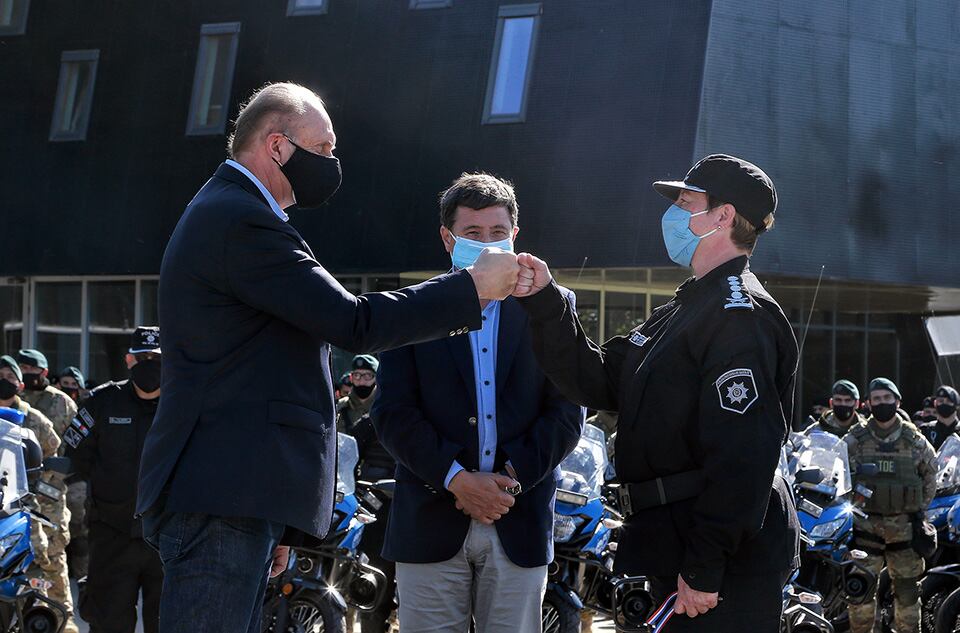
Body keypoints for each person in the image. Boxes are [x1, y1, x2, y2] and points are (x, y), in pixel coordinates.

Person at [135, 82, 523, 633]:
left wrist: (278, 520)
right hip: (222, 493)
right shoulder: (241, 219)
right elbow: (352, 322)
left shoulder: (236, 212)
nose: (332, 164)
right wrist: (470, 287)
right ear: (275, 146)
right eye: (322, 150)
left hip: (238, 494)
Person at [511, 154, 800, 632]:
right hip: (677, 540)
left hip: (719, 562)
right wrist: (546, 302)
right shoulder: (688, 306)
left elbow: (744, 455)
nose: (673, 215)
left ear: (722, 216)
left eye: (687, 203)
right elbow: (600, 379)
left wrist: (705, 564)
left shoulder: (738, 316)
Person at [373, 172, 583, 633]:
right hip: (429, 519)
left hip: (518, 518)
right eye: (473, 234)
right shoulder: (413, 307)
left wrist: (508, 481)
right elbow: (392, 413)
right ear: (448, 240)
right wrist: (457, 480)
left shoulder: (552, 305)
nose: (488, 245)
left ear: (516, 236)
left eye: (498, 233)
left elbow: (568, 413)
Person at [64, 327, 163, 633]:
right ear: (128, 360)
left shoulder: (184, 404)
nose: (148, 363)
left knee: (171, 623)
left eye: (155, 358)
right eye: (142, 357)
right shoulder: (102, 402)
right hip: (111, 535)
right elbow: (74, 459)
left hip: (168, 538)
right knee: (108, 623)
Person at [844, 378, 936, 633]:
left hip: (904, 531)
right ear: (868, 403)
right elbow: (841, 475)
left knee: (907, 597)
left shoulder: (914, 440)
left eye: (887, 398)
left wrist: (917, 507)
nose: (882, 403)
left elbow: (931, 476)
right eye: (877, 399)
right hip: (866, 530)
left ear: (897, 401)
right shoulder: (855, 440)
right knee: (860, 594)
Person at [17, 349, 78, 633]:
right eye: (23, 368)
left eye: (33, 368)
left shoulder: (62, 403)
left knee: (52, 560)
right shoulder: (11, 403)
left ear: (44, 372)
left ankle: (62, 620)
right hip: (14, 497)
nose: (28, 373)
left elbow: (74, 447)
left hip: (49, 495)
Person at [0, 356, 61, 610]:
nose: (4, 383)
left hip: (27, 498)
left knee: (47, 554)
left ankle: (58, 614)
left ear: (20, 384)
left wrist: (37, 485)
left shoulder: (34, 420)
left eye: (10, 378)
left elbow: (52, 455)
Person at [336, 355, 379, 433]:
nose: (361, 381)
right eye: (357, 375)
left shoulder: (383, 406)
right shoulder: (341, 407)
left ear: (377, 378)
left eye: (368, 376)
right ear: (351, 378)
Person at [920, 385, 960, 451]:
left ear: (957, 405)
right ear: (935, 403)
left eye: (948, 401)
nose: (944, 404)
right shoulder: (926, 430)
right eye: (941, 401)